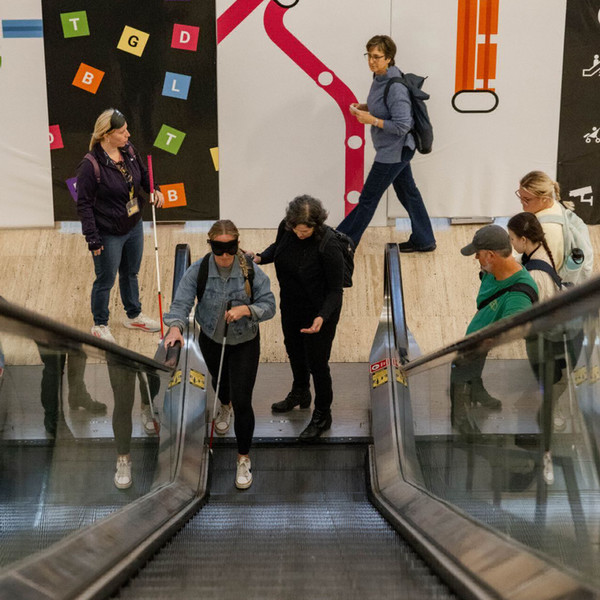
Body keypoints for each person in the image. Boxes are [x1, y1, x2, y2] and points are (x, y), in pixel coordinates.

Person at [163, 220, 276, 489]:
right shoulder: (198, 270)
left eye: (230, 249)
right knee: (219, 382)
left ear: (237, 245)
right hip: (211, 338)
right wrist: (175, 328)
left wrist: (246, 310)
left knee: (243, 398)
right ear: (210, 246)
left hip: (245, 341)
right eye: (218, 249)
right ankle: (224, 406)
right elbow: (181, 303)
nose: (225, 256)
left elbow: (269, 305)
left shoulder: (250, 271)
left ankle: (243, 457)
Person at [255, 195, 344, 442]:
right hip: (292, 306)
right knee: (294, 351)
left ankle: (323, 415)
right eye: (295, 228)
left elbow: (336, 291)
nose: (299, 233)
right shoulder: (287, 228)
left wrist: (322, 317)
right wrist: (260, 256)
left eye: (304, 230)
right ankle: (300, 392)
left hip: (319, 313)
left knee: (318, 363)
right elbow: (278, 249)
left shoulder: (329, 245)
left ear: (316, 225)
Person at [336, 34, 436, 251]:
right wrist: (366, 108)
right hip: (394, 150)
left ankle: (342, 243)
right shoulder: (379, 78)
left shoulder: (395, 86)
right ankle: (425, 240)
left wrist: (371, 120)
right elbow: (386, 109)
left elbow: (402, 125)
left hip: (394, 151)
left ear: (389, 58)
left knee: (368, 200)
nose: (372, 61)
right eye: (369, 56)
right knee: (409, 193)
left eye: (377, 57)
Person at [76, 108, 164, 343]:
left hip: (134, 225)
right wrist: (92, 239)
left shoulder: (129, 150)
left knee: (130, 273)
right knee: (105, 279)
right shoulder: (90, 165)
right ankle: (100, 324)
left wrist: (155, 189)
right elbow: (84, 205)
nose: (128, 134)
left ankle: (133, 315)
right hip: (108, 233)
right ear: (106, 134)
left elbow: (143, 175)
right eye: (122, 132)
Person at [451, 225, 538, 434]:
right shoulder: (492, 270)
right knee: (472, 365)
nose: (476, 259)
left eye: (478, 254)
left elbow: (516, 328)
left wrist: (488, 341)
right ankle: (477, 389)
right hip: (479, 330)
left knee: (460, 367)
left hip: (484, 339)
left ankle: (459, 416)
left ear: (491, 255)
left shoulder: (519, 294)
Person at [508, 212, 562, 302]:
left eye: (512, 239)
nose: (511, 242)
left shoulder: (535, 275)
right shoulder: (540, 250)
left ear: (523, 240)